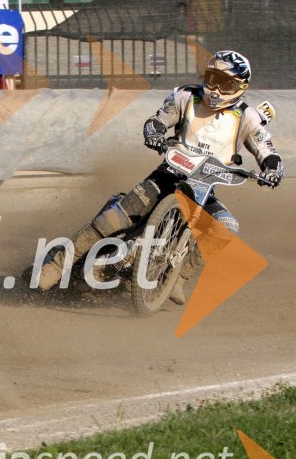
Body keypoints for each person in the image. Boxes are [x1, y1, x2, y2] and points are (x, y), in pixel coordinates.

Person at [36, 50, 283, 300]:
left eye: (225, 83)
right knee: (116, 217)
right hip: (168, 175)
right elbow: (156, 121)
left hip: (204, 189)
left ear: (240, 87)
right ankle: (57, 265)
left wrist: (272, 169)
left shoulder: (248, 117)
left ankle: (177, 280)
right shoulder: (186, 96)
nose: (215, 89)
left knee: (227, 227)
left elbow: (266, 150)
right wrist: (154, 134)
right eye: (211, 78)